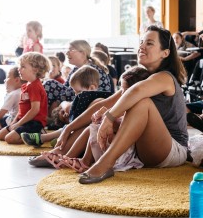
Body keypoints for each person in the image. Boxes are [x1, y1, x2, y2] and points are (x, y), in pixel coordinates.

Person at [74, 26, 188, 184]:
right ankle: (63, 152)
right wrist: (68, 129)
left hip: (172, 150)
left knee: (142, 103)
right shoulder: (142, 78)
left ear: (165, 53)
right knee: (100, 108)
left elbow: (137, 91)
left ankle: (105, 164)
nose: (142, 46)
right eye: (141, 42)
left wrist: (109, 117)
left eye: (149, 43)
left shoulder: (165, 77)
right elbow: (105, 103)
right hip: (144, 150)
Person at [42, 66, 151, 172]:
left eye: (125, 90)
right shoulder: (124, 101)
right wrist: (99, 117)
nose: (122, 93)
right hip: (108, 147)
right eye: (121, 89)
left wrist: (105, 119)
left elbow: (124, 129)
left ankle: (78, 159)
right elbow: (105, 109)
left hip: (123, 153)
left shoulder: (137, 107)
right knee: (91, 128)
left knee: (92, 128)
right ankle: (71, 157)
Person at [21, 65, 102, 147]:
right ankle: (49, 138)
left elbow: (68, 108)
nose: (76, 95)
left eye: (78, 92)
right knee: (67, 127)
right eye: (75, 92)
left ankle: (44, 138)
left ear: (92, 88)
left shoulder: (95, 100)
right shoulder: (83, 98)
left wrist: (66, 106)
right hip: (78, 129)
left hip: (87, 131)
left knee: (70, 128)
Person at [44, 39, 113, 111]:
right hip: (76, 98)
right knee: (49, 84)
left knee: (49, 84)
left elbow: (76, 92)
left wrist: (58, 102)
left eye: (71, 50)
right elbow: (66, 88)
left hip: (89, 103)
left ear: (83, 53)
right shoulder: (76, 68)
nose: (67, 53)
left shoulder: (91, 70)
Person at [0, 52, 49, 144]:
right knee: (0, 135)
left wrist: (18, 124)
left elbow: (35, 110)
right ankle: (26, 134)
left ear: (35, 70)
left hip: (34, 122)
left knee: (9, 139)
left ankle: (39, 135)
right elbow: (22, 109)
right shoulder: (26, 85)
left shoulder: (35, 86)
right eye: (19, 66)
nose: (19, 69)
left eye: (23, 67)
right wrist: (14, 122)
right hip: (23, 120)